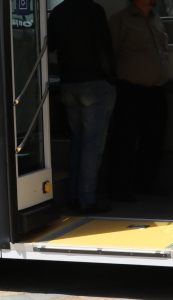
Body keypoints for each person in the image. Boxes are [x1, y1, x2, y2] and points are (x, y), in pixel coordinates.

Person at [48, 0, 117, 214]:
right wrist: (112, 80)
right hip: (95, 83)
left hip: (68, 84)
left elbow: (50, 45)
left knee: (78, 142)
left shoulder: (58, 11)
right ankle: (87, 198)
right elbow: (103, 49)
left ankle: (73, 197)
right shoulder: (95, 11)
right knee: (92, 145)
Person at [108, 0, 171, 202]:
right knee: (124, 141)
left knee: (154, 141)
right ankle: (120, 189)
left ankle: (146, 184)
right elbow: (110, 54)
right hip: (130, 91)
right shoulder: (120, 20)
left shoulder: (156, 19)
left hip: (157, 90)